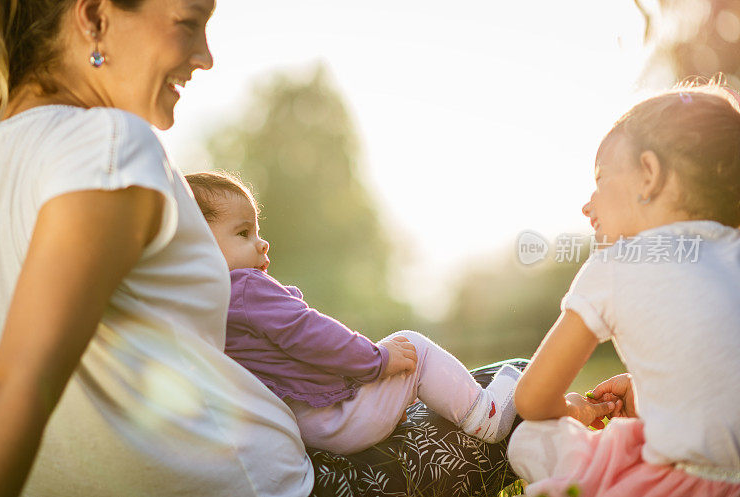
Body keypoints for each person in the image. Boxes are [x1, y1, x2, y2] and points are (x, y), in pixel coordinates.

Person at [0, 1, 316, 496]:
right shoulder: (110, 145)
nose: (205, 57)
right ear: (95, 17)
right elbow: (20, 382)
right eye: (189, 23)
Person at [184, 171, 523, 454]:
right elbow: (310, 334)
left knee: (395, 356)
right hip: (334, 419)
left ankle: (400, 403)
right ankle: (486, 415)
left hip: (307, 427)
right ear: (195, 244)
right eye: (243, 233)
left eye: (258, 231)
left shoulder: (202, 306)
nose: (262, 243)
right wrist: (376, 360)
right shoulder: (245, 287)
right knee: (412, 348)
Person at [507, 86, 740, 497]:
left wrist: (577, 409)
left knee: (528, 437)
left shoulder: (617, 262)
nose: (588, 203)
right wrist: (647, 388)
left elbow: (533, 399)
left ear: (648, 175)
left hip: (680, 484)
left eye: (600, 179)